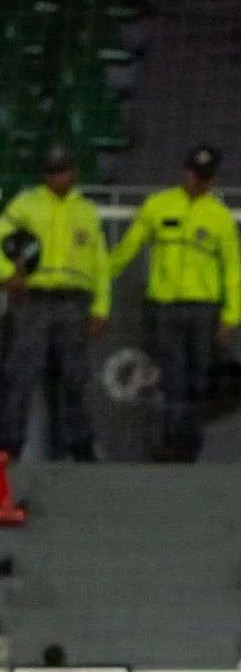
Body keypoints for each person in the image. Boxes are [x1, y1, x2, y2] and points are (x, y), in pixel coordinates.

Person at [109, 146, 241, 463]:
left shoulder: (220, 217)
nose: (198, 181)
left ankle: (189, 445)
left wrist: (231, 316)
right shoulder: (158, 205)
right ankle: (170, 441)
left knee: (198, 378)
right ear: (185, 172)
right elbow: (128, 247)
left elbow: (233, 270)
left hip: (203, 309)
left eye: (205, 177)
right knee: (172, 377)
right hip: (164, 306)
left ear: (213, 179)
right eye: (195, 174)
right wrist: (101, 277)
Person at [0, 146, 108, 462]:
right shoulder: (25, 204)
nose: (56, 178)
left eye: (61, 171)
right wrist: (7, 275)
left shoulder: (86, 211)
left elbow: (100, 263)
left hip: (73, 303)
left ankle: (81, 447)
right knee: (21, 375)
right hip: (33, 300)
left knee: (76, 377)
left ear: (73, 172)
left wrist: (101, 307)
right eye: (51, 172)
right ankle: (8, 447)